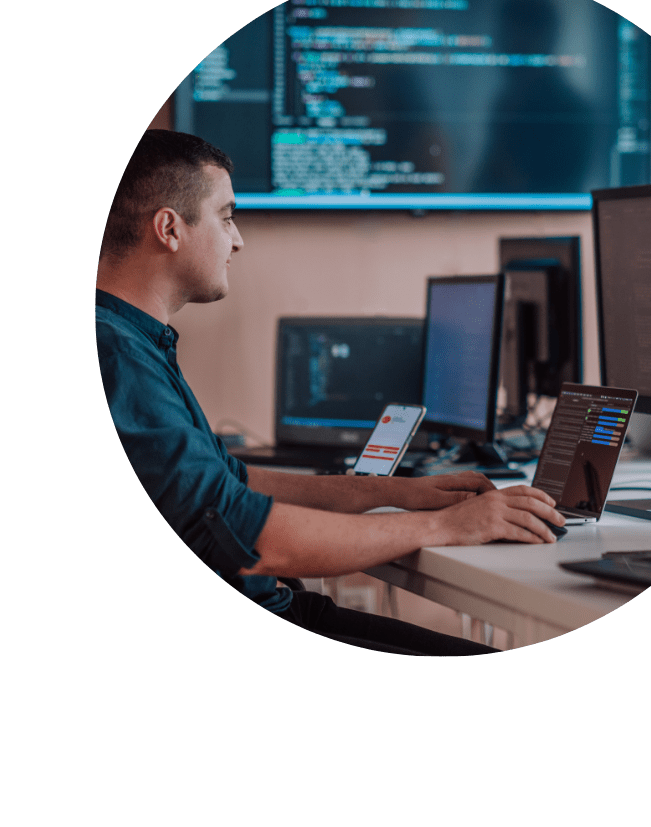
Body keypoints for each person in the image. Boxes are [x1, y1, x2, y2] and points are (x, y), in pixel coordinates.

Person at [96, 129, 566, 656]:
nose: (238, 239)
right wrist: (446, 526)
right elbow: (251, 537)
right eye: (226, 216)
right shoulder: (114, 354)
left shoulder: (134, 341)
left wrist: (389, 493)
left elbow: (234, 482)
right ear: (169, 229)